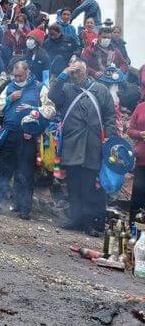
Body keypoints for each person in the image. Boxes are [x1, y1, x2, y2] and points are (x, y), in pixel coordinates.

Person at [49, 60, 118, 236]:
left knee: (90, 186)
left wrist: (109, 138)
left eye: (79, 71)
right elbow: (52, 95)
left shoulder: (100, 90)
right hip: (72, 144)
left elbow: (110, 116)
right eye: (73, 71)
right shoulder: (66, 89)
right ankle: (75, 219)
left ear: (86, 71)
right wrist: (63, 74)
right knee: (73, 185)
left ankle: (90, 223)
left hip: (93, 145)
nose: (76, 74)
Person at [0, 61, 55, 218]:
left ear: (27, 72)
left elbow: (51, 110)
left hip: (27, 136)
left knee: (25, 172)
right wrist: (9, 99)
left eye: (20, 76)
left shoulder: (39, 87)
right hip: (8, 134)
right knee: (1, 169)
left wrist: (33, 109)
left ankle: (23, 209)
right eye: (14, 75)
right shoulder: (9, 87)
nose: (16, 78)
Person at [127, 99, 145, 223]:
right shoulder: (140, 107)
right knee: (137, 198)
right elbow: (130, 131)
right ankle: (133, 231)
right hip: (141, 160)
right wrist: (140, 134)